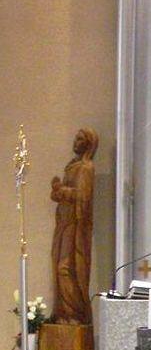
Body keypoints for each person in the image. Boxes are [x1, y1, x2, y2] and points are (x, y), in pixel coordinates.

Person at [50, 128, 98, 325]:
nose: (75, 142)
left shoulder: (86, 168)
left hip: (75, 225)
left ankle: (75, 314)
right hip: (63, 222)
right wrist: (57, 190)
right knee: (58, 266)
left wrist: (62, 190)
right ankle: (62, 313)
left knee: (67, 268)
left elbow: (83, 196)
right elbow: (61, 195)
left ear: (88, 144)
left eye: (80, 139)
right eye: (76, 138)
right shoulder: (71, 166)